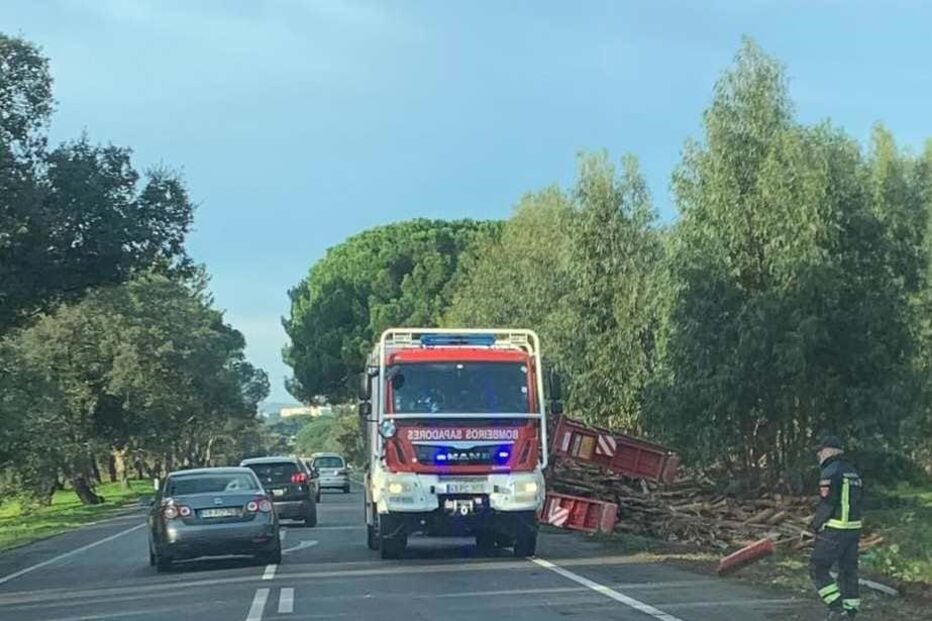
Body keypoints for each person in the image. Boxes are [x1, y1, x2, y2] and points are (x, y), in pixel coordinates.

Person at [809, 434, 863, 619]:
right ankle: (850, 610)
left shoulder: (831, 471)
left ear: (830, 451)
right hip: (854, 528)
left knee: (817, 566)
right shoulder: (853, 471)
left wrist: (815, 526)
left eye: (820, 451)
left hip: (836, 528)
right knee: (848, 570)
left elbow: (828, 503)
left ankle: (836, 608)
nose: (819, 455)